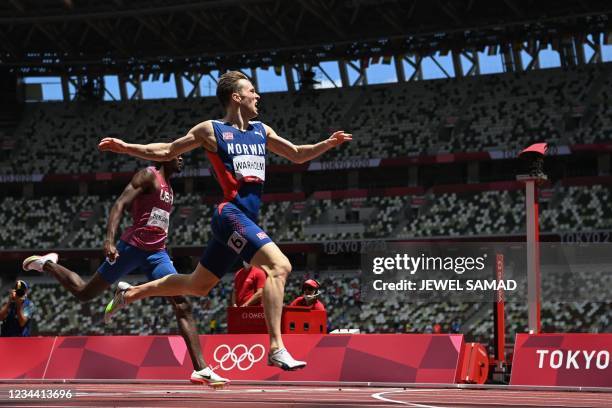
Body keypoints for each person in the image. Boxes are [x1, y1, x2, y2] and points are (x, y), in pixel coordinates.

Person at [98, 70, 351, 371]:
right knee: (279, 266)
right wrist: (126, 147)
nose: (258, 96)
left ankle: (131, 292)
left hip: (244, 219)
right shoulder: (211, 130)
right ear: (236, 97)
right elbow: (167, 150)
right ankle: (276, 347)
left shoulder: (261, 131)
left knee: (197, 285)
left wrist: (328, 143)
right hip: (229, 214)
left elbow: (297, 154)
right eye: (252, 91)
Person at [21, 157, 227, 385]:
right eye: (177, 155)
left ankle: (201, 369)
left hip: (157, 253)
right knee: (84, 293)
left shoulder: (170, 187)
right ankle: (48, 263)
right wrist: (109, 241)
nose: (182, 159)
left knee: (182, 303)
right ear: (164, 156)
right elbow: (119, 204)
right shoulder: (148, 175)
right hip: (131, 248)